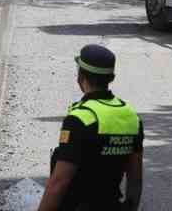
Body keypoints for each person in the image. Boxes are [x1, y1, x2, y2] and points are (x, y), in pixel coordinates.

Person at [37, 44, 144, 211]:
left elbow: (59, 183)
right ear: (111, 78)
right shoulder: (131, 117)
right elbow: (135, 178)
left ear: (80, 77)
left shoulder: (80, 119)